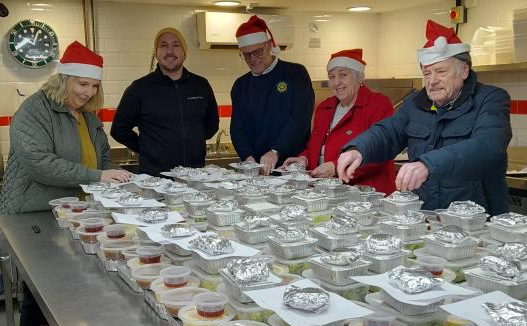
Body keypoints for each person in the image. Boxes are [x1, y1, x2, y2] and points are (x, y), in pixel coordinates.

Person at [337, 21, 512, 214]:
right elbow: (389, 132)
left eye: (441, 71)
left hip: (477, 220)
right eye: (427, 73)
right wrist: (358, 149)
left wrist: (428, 164)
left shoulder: (491, 99)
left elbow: (488, 145)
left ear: (464, 71)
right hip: (425, 218)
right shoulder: (415, 103)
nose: (432, 81)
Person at [0, 41, 130, 215]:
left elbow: (102, 161)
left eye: (95, 86)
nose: (89, 93)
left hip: (78, 210)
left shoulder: (88, 116)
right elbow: (41, 164)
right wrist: (96, 177)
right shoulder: (35, 109)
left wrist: (124, 177)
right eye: (83, 84)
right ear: (63, 81)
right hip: (34, 212)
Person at [281, 49, 395, 193]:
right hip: (327, 192)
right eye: (331, 77)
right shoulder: (324, 108)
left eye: (343, 75)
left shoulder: (378, 104)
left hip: (366, 194)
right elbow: (315, 147)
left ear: (359, 77)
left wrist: (336, 167)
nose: (336, 82)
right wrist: (303, 159)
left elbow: (380, 150)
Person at [111, 27, 219, 174]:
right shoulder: (140, 88)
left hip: (194, 176)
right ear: (156, 52)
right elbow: (119, 129)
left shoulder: (201, 85)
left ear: (184, 52)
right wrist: (148, 148)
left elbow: (212, 124)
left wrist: (194, 141)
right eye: (163, 45)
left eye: (176, 45)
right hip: (155, 178)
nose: (169, 51)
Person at [230, 15, 314, 175]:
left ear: (268, 45)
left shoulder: (295, 74)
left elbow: (299, 121)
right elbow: (237, 128)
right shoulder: (241, 86)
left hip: (290, 169)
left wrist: (276, 151)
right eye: (246, 54)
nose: (252, 59)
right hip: (257, 171)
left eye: (257, 52)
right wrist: (248, 158)